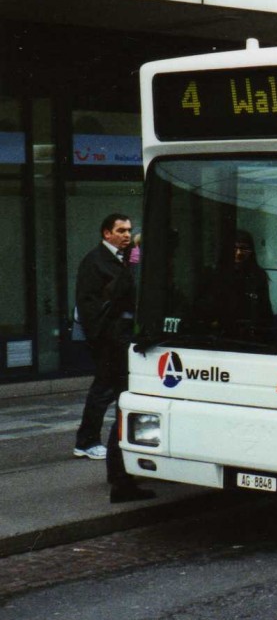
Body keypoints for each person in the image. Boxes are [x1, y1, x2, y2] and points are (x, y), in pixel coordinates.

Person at [73, 212, 154, 503]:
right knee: (114, 397)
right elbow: (94, 306)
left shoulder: (122, 259)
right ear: (106, 233)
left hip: (120, 341)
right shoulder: (96, 261)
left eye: (128, 230)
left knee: (114, 396)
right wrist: (105, 340)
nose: (126, 235)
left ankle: (116, 471)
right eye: (120, 230)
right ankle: (107, 463)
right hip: (111, 343)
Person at [195, 230, 273, 338]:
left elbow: (265, 312)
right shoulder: (213, 275)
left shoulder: (258, 276)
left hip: (250, 338)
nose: (239, 253)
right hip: (221, 337)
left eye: (244, 248)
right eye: (234, 248)